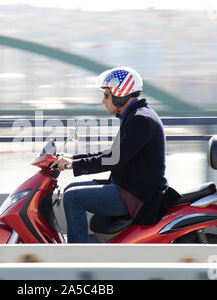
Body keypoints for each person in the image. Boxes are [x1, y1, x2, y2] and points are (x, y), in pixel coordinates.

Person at [51, 66, 181, 243]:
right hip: (128, 186)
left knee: (73, 198)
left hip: (138, 195)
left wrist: (73, 165)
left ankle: (78, 255)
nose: (103, 101)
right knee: (70, 189)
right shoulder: (136, 115)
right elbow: (113, 154)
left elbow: (114, 159)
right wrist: (73, 159)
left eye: (106, 95)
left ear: (121, 95)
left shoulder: (140, 120)